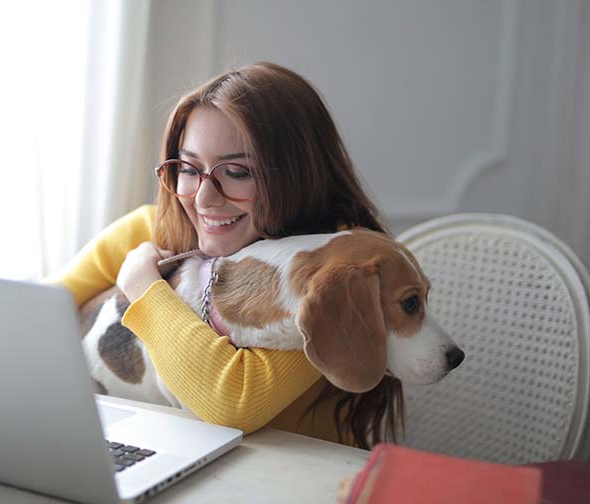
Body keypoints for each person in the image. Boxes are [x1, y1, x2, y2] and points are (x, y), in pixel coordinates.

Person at [52, 61, 402, 449]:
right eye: (188, 167)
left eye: (236, 172)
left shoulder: (327, 276)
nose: (204, 198)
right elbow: (27, 317)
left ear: (298, 177)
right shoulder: (148, 232)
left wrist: (143, 287)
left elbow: (232, 404)